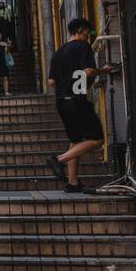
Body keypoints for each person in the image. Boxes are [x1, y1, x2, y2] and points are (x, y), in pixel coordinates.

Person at [45, 17, 117, 193]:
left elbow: (51, 82)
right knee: (97, 139)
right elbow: (89, 71)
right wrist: (104, 70)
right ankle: (58, 159)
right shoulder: (81, 47)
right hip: (77, 99)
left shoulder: (58, 53)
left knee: (75, 140)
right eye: (88, 32)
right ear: (80, 30)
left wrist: (67, 81)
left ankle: (72, 182)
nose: (89, 36)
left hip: (62, 102)